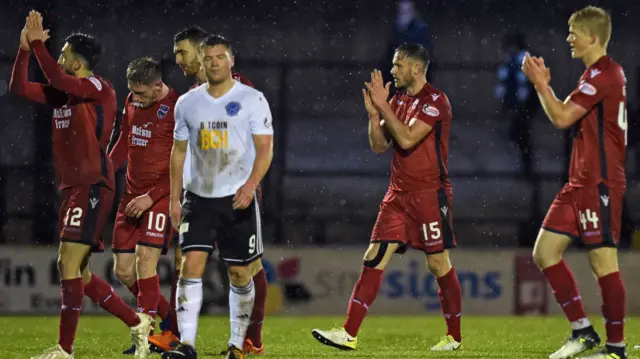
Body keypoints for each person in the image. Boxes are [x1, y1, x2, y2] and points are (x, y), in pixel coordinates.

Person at [10, 10, 150, 359]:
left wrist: (39, 43)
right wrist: (25, 49)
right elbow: (19, 87)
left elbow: (55, 77)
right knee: (81, 274)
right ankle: (137, 324)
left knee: (67, 265)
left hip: (91, 184)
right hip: (74, 186)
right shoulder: (66, 93)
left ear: (76, 62)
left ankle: (65, 349)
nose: (57, 58)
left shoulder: (97, 88)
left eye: (62, 53)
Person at [311, 43, 463, 352]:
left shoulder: (436, 101)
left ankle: (454, 337)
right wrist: (374, 114)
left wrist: (385, 106)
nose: (392, 70)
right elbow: (379, 146)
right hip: (397, 195)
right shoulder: (398, 99)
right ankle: (348, 333)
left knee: (438, 264)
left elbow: (406, 139)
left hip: (429, 195)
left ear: (416, 69)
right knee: (374, 257)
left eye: (398, 65)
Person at [147, 26, 267, 356]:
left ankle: (249, 338)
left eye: (182, 51)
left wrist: (250, 183)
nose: (177, 59)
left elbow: (257, 141)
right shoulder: (191, 98)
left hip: (238, 191)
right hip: (200, 195)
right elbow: (182, 149)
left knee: (247, 267)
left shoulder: (242, 90)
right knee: (186, 260)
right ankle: (178, 337)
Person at [522, 6, 628, 359]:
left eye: (573, 32)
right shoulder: (595, 74)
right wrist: (544, 88)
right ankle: (583, 331)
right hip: (578, 182)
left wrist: (541, 85)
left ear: (593, 37)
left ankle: (615, 349)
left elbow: (563, 116)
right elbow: (563, 114)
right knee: (544, 252)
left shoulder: (603, 74)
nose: (569, 39)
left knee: (603, 264)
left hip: (599, 182)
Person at [109, 57, 180, 355]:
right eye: (132, 93)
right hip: (130, 195)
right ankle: (171, 324)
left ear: (158, 85)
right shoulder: (130, 101)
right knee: (123, 270)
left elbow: (184, 164)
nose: (135, 99)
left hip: (160, 196)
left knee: (145, 260)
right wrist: (103, 173)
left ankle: (145, 337)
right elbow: (125, 139)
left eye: (141, 93)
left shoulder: (178, 108)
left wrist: (152, 196)